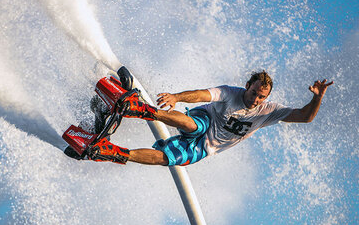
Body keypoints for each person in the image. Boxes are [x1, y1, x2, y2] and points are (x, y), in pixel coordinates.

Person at [89, 71, 333, 166]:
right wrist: (176, 97)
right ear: (247, 86)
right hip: (205, 119)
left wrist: (318, 97)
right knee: (193, 125)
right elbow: (202, 94)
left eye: (261, 97)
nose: (255, 99)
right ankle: (138, 109)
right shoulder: (231, 93)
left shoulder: (268, 111)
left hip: (207, 147)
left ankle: (111, 151)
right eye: (254, 93)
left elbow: (305, 117)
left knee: (168, 159)